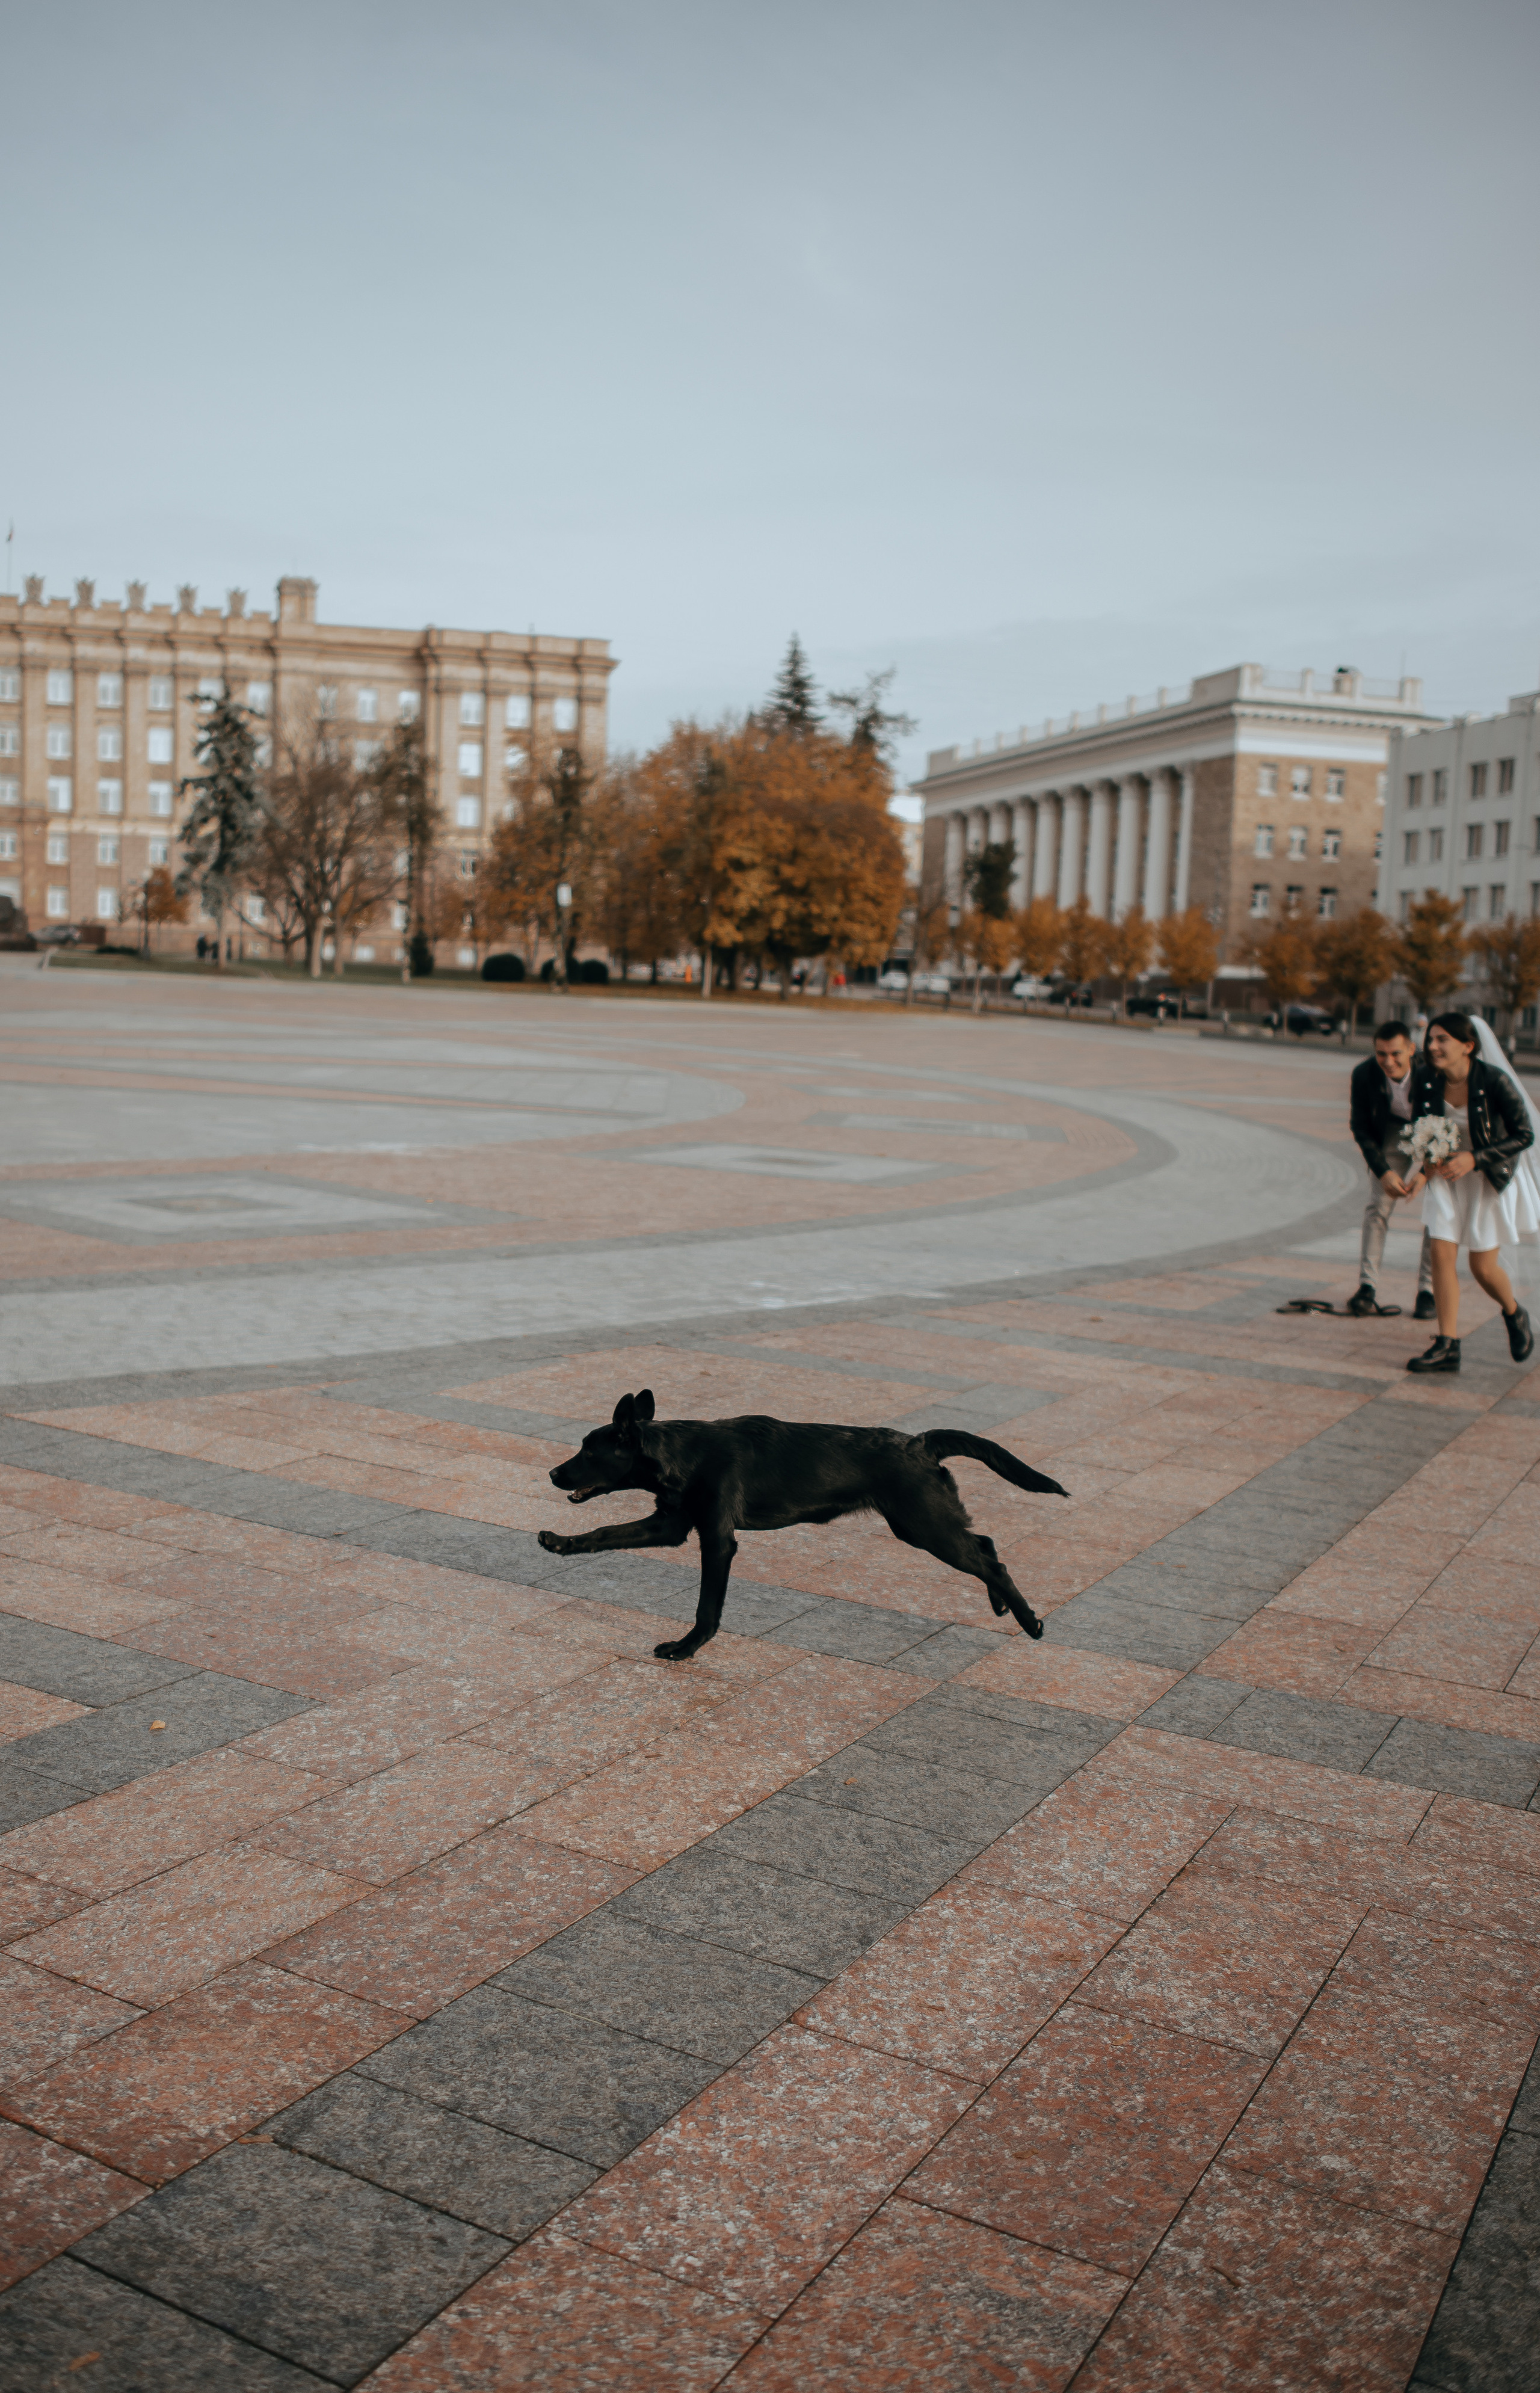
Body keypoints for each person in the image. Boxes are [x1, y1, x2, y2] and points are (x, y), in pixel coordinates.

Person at [1402, 1011, 1539, 1373]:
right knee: (1441, 1256)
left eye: (1442, 1039)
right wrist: (1425, 1166)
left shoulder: (1495, 1081)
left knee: (1482, 1267)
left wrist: (1475, 1159)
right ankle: (1448, 1345)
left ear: (1468, 1045)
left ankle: (1513, 1312)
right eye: (1430, 1039)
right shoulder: (1428, 1081)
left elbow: (1525, 1135)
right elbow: (1421, 1130)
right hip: (1446, 1180)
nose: (1432, 1046)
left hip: (1487, 1179)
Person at [1348, 1020, 1437, 1318]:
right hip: (1393, 1131)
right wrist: (1383, 1171)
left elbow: (1447, 1126)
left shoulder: (1434, 1073)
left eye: (1396, 1053)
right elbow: (1360, 1127)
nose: (1389, 1061)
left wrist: (1425, 1173)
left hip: (1433, 1134)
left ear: (1412, 1049)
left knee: (1437, 1212)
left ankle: (1428, 1291)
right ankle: (1367, 1286)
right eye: (1381, 1054)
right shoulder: (1364, 1074)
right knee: (1378, 1207)